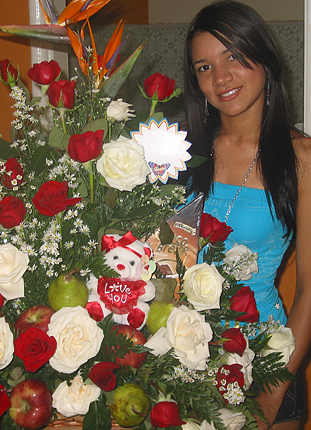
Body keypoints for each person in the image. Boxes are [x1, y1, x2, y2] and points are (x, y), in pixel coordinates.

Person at [182, 1, 311, 428]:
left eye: (233, 56)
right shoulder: (178, 154)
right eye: (204, 67)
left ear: (265, 59)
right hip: (177, 361)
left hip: (266, 365)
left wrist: (273, 393)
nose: (220, 79)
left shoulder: (303, 159)